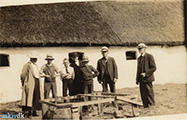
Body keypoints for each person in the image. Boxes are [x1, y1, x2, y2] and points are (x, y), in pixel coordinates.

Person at [20, 51, 43, 118]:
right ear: (31, 58)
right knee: (30, 97)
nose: (35, 59)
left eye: (36, 58)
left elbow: (37, 74)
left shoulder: (35, 65)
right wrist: (24, 82)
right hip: (30, 82)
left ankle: (34, 111)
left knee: (36, 96)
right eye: (34, 58)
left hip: (36, 82)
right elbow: (23, 75)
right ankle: (29, 113)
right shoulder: (27, 65)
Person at [136, 43, 157, 108]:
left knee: (149, 92)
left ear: (145, 49)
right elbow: (138, 70)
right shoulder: (139, 58)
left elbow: (154, 67)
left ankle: (151, 105)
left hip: (148, 78)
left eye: (141, 48)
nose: (140, 50)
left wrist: (146, 74)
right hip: (141, 79)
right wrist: (137, 79)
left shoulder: (149, 56)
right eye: (139, 49)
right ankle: (145, 105)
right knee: (143, 93)